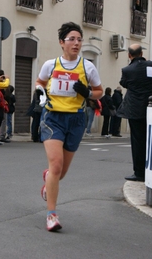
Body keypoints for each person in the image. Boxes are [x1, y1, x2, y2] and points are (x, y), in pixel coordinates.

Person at [35, 22, 103, 231]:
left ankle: (49, 181)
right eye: (71, 39)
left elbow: (99, 91)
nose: (76, 43)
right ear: (61, 42)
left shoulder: (88, 67)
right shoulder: (50, 64)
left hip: (76, 119)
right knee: (56, 165)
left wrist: (87, 93)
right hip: (53, 117)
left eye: (79, 39)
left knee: (61, 172)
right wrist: (40, 93)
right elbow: (40, 82)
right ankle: (51, 215)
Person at [117, 44, 152, 182]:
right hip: (151, 106)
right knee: (151, 140)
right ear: (141, 53)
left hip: (134, 109)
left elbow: (124, 83)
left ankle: (139, 172)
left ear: (129, 55)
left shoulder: (127, 69)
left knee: (137, 141)